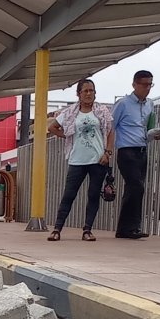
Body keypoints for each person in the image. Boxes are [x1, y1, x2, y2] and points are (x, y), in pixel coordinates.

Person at [46, 79, 114, 242]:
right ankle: (57, 228)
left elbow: (111, 131)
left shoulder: (102, 111)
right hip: (77, 159)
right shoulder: (70, 112)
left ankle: (87, 230)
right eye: (85, 91)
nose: (89, 94)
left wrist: (108, 153)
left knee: (93, 195)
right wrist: (67, 136)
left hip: (98, 159)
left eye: (92, 90)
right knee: (69, 194)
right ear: (79, 94)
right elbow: (52, 127)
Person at [111, 70, 160, 239]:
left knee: (136, 188)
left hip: (142, 149)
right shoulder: (123, 104)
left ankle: (129, 227)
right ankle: (129, 226)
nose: (147, 88)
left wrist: (155, 134)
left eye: (150, 85)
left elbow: (148, 127)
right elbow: (111, 126)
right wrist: (108, 149)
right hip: (126, 150)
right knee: (136, 186)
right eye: (143, 84)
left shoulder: (149, 104)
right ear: (134, 84)